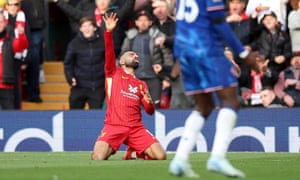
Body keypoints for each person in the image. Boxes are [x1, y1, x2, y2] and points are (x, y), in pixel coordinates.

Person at [168, 0, 266, 178]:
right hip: (206, 51)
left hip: (185, 52)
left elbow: (181, 24)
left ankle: (180, 159)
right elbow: (221, 25)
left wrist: (178, 56)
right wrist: (244, 54)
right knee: (230, 101)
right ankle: (218, 157)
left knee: (204, 107)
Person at [91, 13, 166, 160]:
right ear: (122, 61)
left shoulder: (141, 84)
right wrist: (108, 32)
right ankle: (122, 149)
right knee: (98, 158)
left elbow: (150, 111)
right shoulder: (113, 72)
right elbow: (109, 52)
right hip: (114, 126)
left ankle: (136, 150)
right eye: (130, 53)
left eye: (136, 55)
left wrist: (149, 101)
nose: (135, 55)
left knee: (161, 156)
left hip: (136, 128)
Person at [121, 9, 174, 108]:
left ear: (150, 22)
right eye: (140, 20)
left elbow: (167, 57)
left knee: (154, 107)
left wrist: (167, 78)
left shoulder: (158, 36)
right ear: (136, 22)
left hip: (154, 78)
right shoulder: (130, 37)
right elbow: (123, 57)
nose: (143, 23)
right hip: (135, 79)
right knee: (133, 107)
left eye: (146, 20)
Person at [52, 0, 135, 56]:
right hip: (91, 51)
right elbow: (72, 12)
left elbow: (126, 9)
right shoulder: (88, 15)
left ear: (109, 2)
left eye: (105, 0)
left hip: (110, 52)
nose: (102, 2)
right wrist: (59, 2)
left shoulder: (112, 15)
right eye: (99, 0)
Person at [64, 17, 105, 109]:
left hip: (98, 86)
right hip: (79, 86)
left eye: (89, 25)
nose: (87, 28)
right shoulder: (74, 44)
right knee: (75, 117)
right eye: (84, 26)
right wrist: (70, 78)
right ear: (80, 29)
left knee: (97, 118)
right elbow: (68, 64)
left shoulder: (103, 42)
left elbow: (109, 62)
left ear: (95, 28)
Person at [4, 0, 29, 109]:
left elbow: (28, 41)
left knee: (16, 87)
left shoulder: (23, 19)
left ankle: (17, 110)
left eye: (16, 4)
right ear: (6, 6)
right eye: (11, 4)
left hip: (16, 58)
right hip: (3, 57)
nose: (13, 7)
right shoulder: (2, 19)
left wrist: (25, 59)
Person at [21, 0, 47, 103]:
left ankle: (34, 93)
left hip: (35, 28)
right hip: (18, 26)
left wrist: (41, 22)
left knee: (34, 59)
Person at [0, 11, 25, 110]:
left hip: (6, 84)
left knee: (8, 118)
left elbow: (19, 48)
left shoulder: (10, 38)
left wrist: (21, 35)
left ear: (5, 23)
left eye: (1, 22)